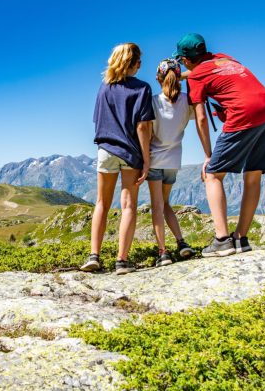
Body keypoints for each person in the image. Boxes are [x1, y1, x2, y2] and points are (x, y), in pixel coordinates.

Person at [174, 33, 265, 257]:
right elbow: (206, 71)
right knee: (252, 174)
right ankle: (241, 238)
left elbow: (201, 118)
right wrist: (181, 76)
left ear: (185, 59)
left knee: (213, 174)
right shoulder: (225, 58)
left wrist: (208, 156)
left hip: (245, 113)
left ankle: (222, 240)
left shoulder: (196, 78)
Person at [80, 43, 154, 275]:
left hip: (106, 149)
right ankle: (121, 261)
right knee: (128, 205)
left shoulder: (104, 87)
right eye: (139, 61)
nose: (141, 64)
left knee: (101, 202)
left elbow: (97, 120)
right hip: (130, 152)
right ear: (132, 63)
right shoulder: (143, 89)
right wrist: (146, 158)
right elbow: (143, 127)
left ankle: (94, 255)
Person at [147, 58, 196, 266]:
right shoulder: (187, 101)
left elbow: (147, 133)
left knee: (157, 206)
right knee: (166, 204)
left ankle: (163, 252)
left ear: (158, 79)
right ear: (178, 78)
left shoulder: (153, 101)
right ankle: (181, 242)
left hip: (154, 159)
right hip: (174, 161)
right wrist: (182, 77)